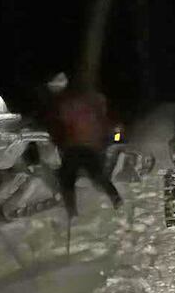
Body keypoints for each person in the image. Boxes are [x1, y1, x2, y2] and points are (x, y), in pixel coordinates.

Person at [43, 73, 121, 217]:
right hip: (90, 145)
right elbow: (104, 123)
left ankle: (71, 211)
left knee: (66, 178)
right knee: (96, 173)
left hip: (75, 146)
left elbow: (60, 127)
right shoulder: (82, 101)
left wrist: (58, 141)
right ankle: (116, 199)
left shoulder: (63, 103)